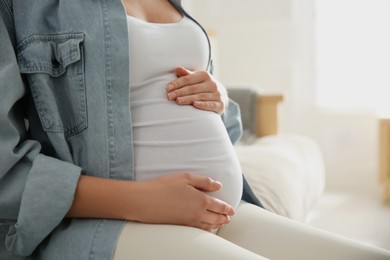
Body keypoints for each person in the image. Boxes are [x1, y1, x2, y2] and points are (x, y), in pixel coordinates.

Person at [0, 0, 389, 259]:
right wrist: (142, 200)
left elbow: (209, 121)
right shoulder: (24, 7)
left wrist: (218, 97)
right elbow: (6, 175)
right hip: (108, 225)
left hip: (219, 209)